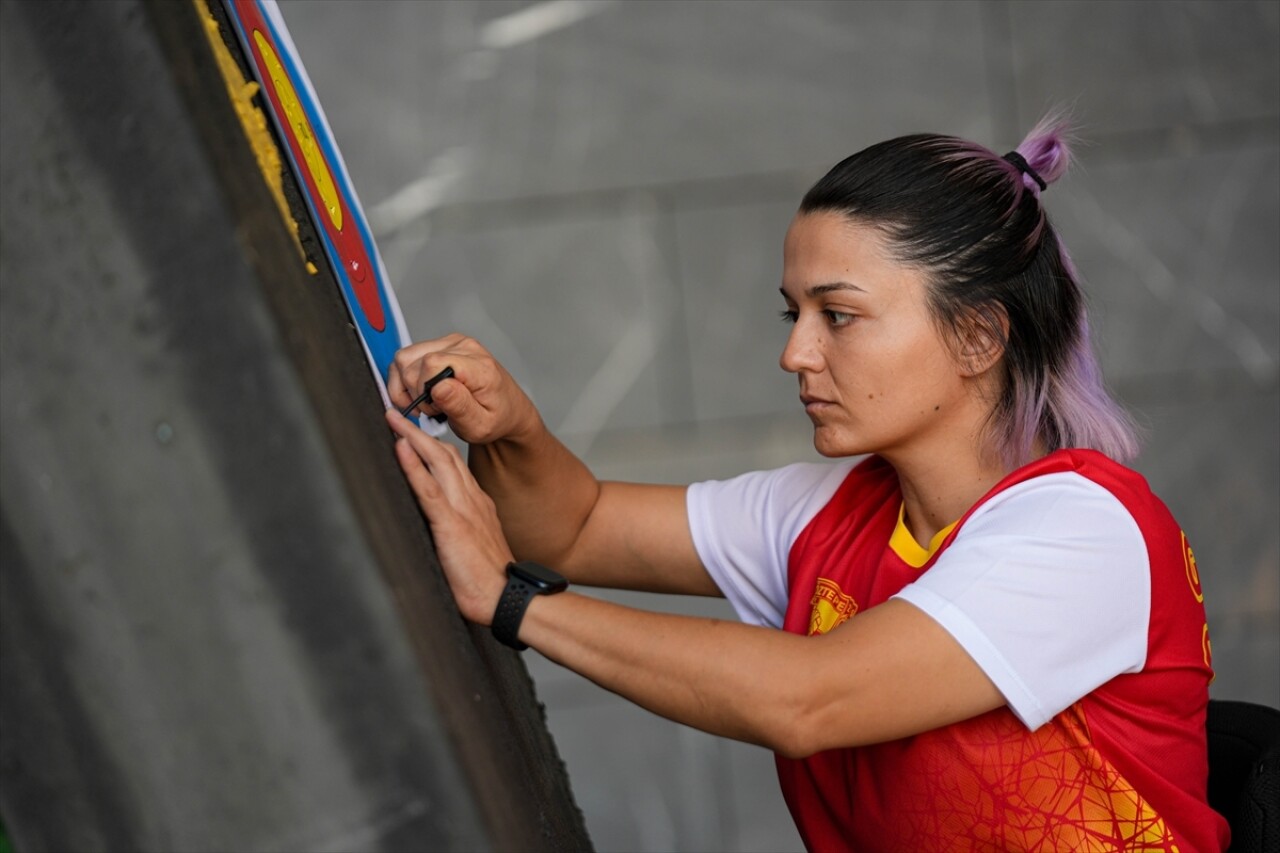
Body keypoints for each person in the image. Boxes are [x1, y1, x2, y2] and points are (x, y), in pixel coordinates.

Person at [383, 116, 1228, 853]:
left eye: (840, 315)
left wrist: (513, 602)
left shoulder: (1084, 531)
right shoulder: (828, 512)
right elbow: (576, 528)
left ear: (977, 336)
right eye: (795, 314)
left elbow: (807, 698)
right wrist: (510, 429)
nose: (795, 353)